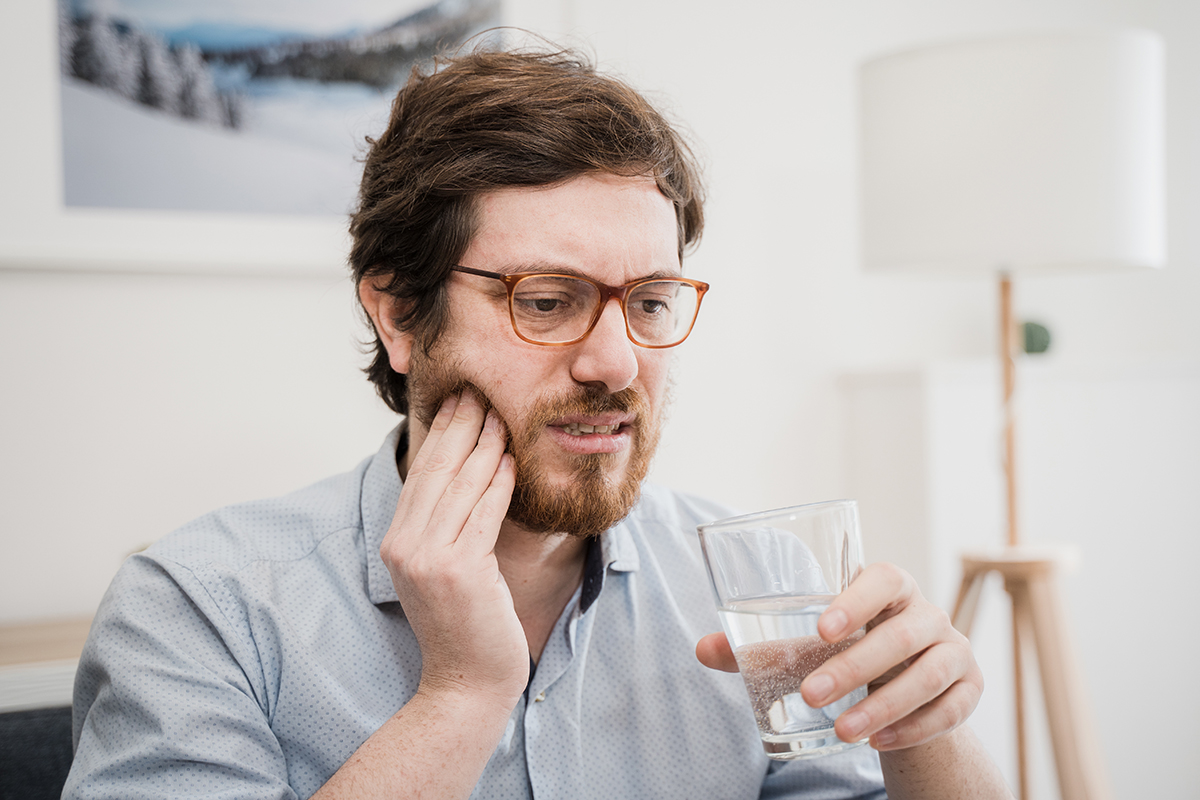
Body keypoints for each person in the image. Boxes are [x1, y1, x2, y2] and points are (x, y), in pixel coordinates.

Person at [64, 45, 1012, 800]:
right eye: (548, 301)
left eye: (650, 302)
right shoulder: (199, 612)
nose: (616, 364)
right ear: (399, 317)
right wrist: (461, 696)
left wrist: (924, 735)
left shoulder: (755, 587)